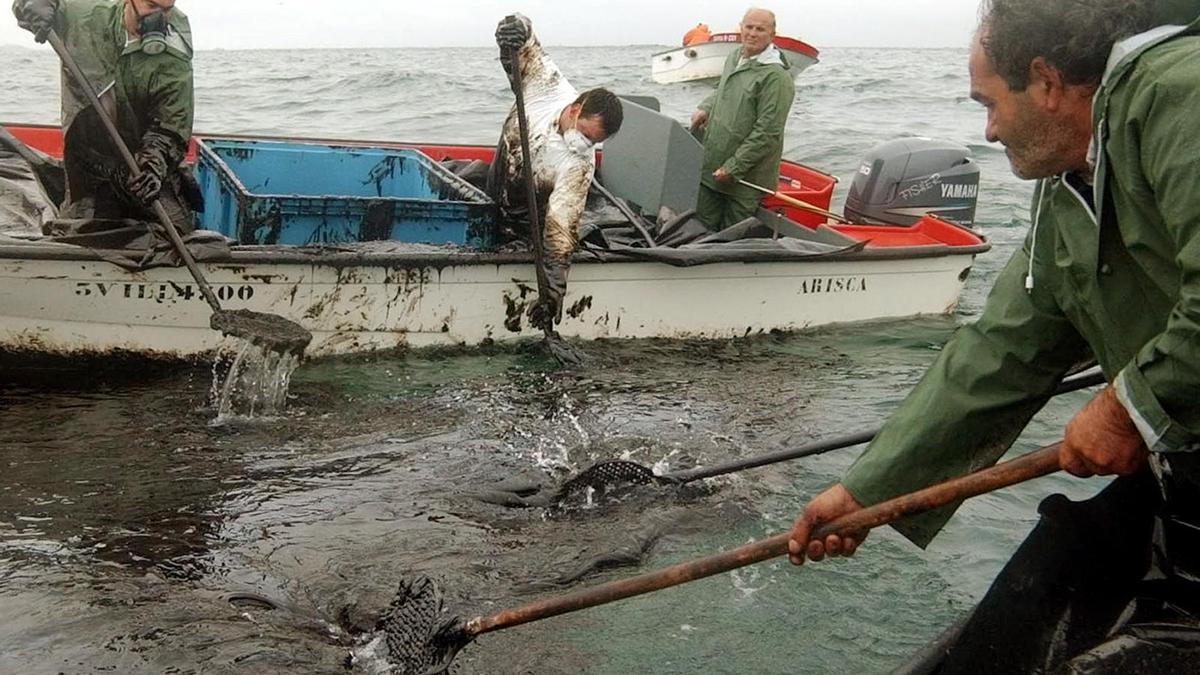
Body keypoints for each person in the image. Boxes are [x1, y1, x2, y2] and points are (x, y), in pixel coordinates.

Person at [787, 0, 1200, 671]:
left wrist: (1129, 403)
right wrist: (871, 491)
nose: (986, 130)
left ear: (1046, 82)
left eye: (989, 102)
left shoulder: (1178, 90)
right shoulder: (1068, 187)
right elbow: (1005, 348)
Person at [487, 13, 623, 331]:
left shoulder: (580, 164)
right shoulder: (549, 87)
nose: (585, 144)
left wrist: (553, 292)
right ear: (575, 109)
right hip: (500, 179)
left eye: (596, 143)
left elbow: (561, 229)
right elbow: (527, 44)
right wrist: (514, 29)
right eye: (586, 135)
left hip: (525, 220)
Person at [11, 0, 196, 232]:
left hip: (144, 160)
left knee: (178, 231)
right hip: (89, 160)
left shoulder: (175, 54)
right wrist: (36, 4)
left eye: (167, 10)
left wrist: (152, 167)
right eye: (151, 5)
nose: (159, 16)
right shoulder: (84, 15)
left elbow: (171, 123)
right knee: (81, 231)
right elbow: (25, 5)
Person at [689, 8, 793, 231]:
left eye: (760, 29)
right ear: (741, 28)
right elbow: (722, 89)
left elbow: (767, 132)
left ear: (772, 34)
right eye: (749, 27)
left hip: (745, 180)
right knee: (699, 230)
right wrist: (705, 108)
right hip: (712, 168)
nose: (753, 33)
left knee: (730, 238)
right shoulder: (734, 57)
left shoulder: (776, 77)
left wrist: (734, 168)